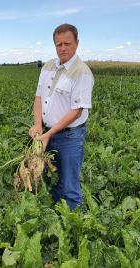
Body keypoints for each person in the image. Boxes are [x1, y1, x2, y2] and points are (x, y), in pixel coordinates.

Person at [29, 23, 94, 210]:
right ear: (55, 45)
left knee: (69, 183)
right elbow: (39, 97)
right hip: (48, 133)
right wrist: (38, 126)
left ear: (77, 43)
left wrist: (49, 134)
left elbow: (77, 110)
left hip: (69, 136)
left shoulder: (82, 72)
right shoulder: (48, 66)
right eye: (59, 44)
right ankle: (56, 218)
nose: (63, 48)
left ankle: (74, 226)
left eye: (67, 43)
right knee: (54, 178)